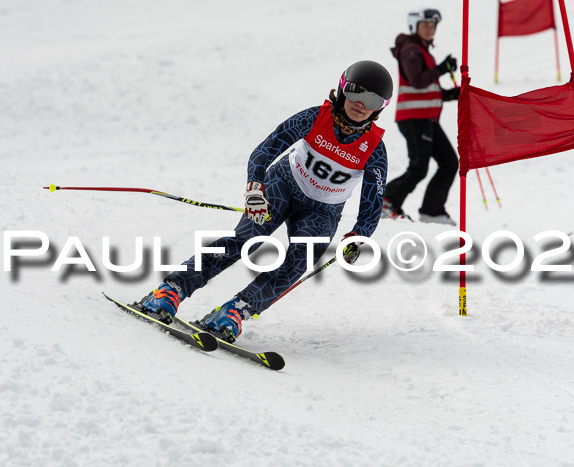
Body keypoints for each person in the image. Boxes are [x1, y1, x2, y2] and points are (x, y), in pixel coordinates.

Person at [134, 61, 394, 342]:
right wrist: (255, 187)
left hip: (323, 210)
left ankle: (235, 311)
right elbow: (265, 150)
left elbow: (371, 205)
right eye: (356, 93)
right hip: (283, 184)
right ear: (343, 89)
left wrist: (358, 237)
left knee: (299, 261)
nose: (361, 104)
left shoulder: (375, 150)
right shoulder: (313, 117)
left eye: (372, 99)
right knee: (248, 239)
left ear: (380, 107)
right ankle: (171, 290)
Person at [382, 8, 460, 225]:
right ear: (414, 27)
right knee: (418, 167)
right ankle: (386, 201)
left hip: (427, 119)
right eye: (425, 25)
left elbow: (427, 90)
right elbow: (418, 80)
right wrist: (442, 69)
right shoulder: (410, 50)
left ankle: (432, 211)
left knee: (449, 162)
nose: (429, 29)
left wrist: (452, 94)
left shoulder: (422, 51)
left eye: (432, 26)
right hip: (414, 119)